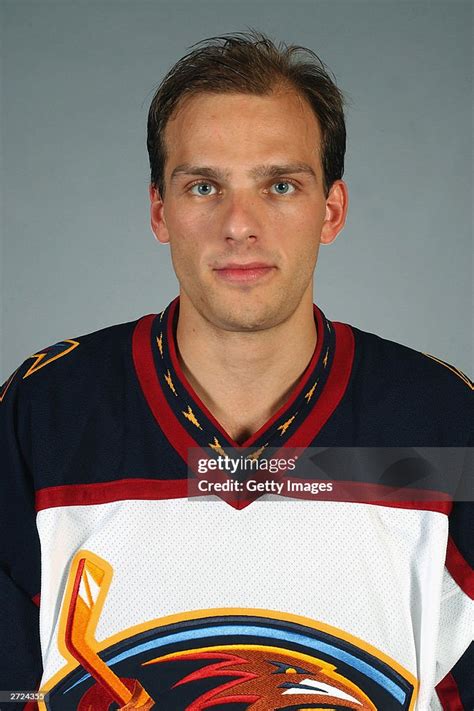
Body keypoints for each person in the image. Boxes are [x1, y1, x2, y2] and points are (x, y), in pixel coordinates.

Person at [0, 31, 472, 711]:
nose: (239, 223)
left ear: (330, 210)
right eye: (204, 185)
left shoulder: (445, 427)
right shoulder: (43, 415)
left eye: (280, 185)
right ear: (160, 210)